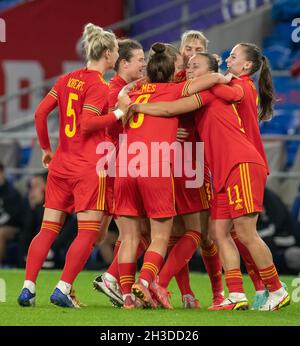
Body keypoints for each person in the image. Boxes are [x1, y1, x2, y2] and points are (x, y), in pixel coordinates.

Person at [127, 52, 290, 312]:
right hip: (224, 171)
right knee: (218, 233)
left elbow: (171, 108)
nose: (190, 70)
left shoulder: (221, 89)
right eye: (188, 66)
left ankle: (276, 289)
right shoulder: (216, 89)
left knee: (246, 233)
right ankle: (235, 295)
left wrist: (136, 106)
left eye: (195, 66)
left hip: (241, 164)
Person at [18, 23, 128, 308]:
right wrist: (119, 112)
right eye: (116, 50)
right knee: (89, 231)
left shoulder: (66, 79)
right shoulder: (100, 86)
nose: (117, 55)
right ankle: (63, 288)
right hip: (88, 168)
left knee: (48, 228)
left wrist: (46, 149)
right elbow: (89, 123)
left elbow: (40, 113)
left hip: (60, 165)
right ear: (106, 53)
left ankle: (28, 287)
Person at [115, 43, 232, 309]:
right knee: (161, 236)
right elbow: (211, 79)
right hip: (155, 166)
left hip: (123, 166)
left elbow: (123, 96)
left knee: (130, 237)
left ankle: (127, 298)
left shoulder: (132, 91)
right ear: (172, 72)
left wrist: (132, 89)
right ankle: (144, 282)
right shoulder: (174, 89)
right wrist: (224, 76)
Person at [92, 38, 148, 308]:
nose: (144, 64)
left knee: (137, 231)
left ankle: (115, 279)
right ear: (123, 63)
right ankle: (116, 283)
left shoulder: (122, 88)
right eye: (139, 60)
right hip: (117, 167)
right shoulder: (117, 90)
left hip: (122, 165)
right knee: (128, 232)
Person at [0, 162, 25, 266]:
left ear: (2, 173)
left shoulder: (12, 193)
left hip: (13, 227)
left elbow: (13, 217)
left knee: (1, 232)